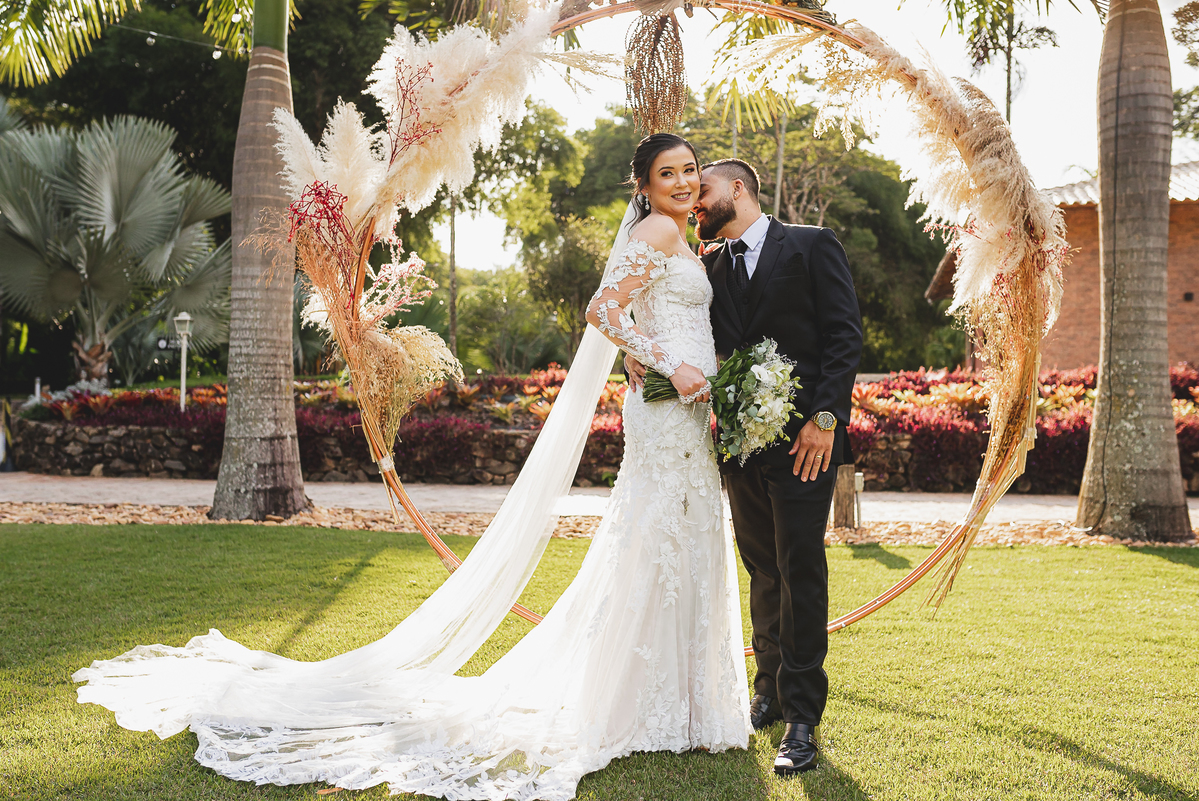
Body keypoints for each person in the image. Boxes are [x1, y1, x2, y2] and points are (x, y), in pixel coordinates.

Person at [72, 133, 751, 800]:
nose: (684, 182)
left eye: (690, 170)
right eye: (668, 173)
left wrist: (670, 360)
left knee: (681, 542)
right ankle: (649, 707)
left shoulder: (682, 236)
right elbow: (602, 309)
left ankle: (683, 707)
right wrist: (669, 363)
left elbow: (654, 314)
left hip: (689, 413)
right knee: (656, 542)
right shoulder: (656, 232)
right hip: (667, 413)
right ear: (644, 187)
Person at [629, 158, 862, 777]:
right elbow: (679, 328)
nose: (694, 199)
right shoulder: (707, 267)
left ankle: (803, 717)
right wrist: (641, 355)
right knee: (761, 567)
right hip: (737, 446)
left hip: (806, 443)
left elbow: (844, 338)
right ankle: (768, 693)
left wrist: (825, 419)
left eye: (703, 188)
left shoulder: (811, 246)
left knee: (800, 567)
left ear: (738, 188)